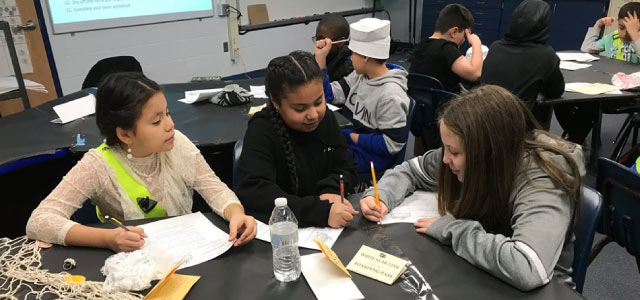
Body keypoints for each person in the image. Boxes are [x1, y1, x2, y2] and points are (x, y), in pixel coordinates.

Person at [359, 85, 585, 291]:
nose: (445, 159)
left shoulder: (542, 179)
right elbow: (411, 170)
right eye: (445, 149)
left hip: (544, 291)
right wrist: (383, 195)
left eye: (454, 152)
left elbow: (528, 267)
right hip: (484, 274)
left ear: (488, 153)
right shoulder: (473, 152)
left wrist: (454, 229)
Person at [26, 72, 257, 252]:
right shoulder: (98, 165)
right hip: (136, 261)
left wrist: (235, 213)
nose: (170, 125)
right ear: (125, 135)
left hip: (186, 250)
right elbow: (39, 221)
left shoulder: (178, 144)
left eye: (167, 113)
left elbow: (215, 190)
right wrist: (107, 238)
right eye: (156, 121)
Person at [236, 51, 360, 228]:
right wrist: (319, 211)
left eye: (318, 102)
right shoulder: (261, 131)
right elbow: (256, 194)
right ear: (276, 102)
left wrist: (330, 190)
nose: (313, 114)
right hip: (281, 234)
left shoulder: (327, 120)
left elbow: (346, 167)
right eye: (300, 108)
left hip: (327, 225)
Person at [315, 17, 411, 173]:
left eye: (353, 53)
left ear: (365, 57)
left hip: (371, 156)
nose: (351, 57)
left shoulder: (391, 94)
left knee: (317, 163)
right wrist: (321, 59)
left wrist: (352, 137)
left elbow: (391, 144)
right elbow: (327, 94)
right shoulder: (359, 76)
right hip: (353, 142)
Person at [481, 0, 564, 130]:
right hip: (517, 127)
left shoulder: (495, 47)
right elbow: (556, 92)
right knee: (543, 106)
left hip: (483, 120)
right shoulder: (545, 54)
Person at [409, 3, 483, 93]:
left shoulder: (421, 44)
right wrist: (476, 43)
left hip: (418, 102)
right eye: (465, 35)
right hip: (443, 104)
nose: (465, 40)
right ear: (454, 32)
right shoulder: (446, 48)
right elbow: (475, 74)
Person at [314, 14, 354, 82]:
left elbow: (322, 89)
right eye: (317, 38)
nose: (318, 44)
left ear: (340, 42)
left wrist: (320, 62)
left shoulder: (348, 67)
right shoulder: (326, 54)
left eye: (323, 39)